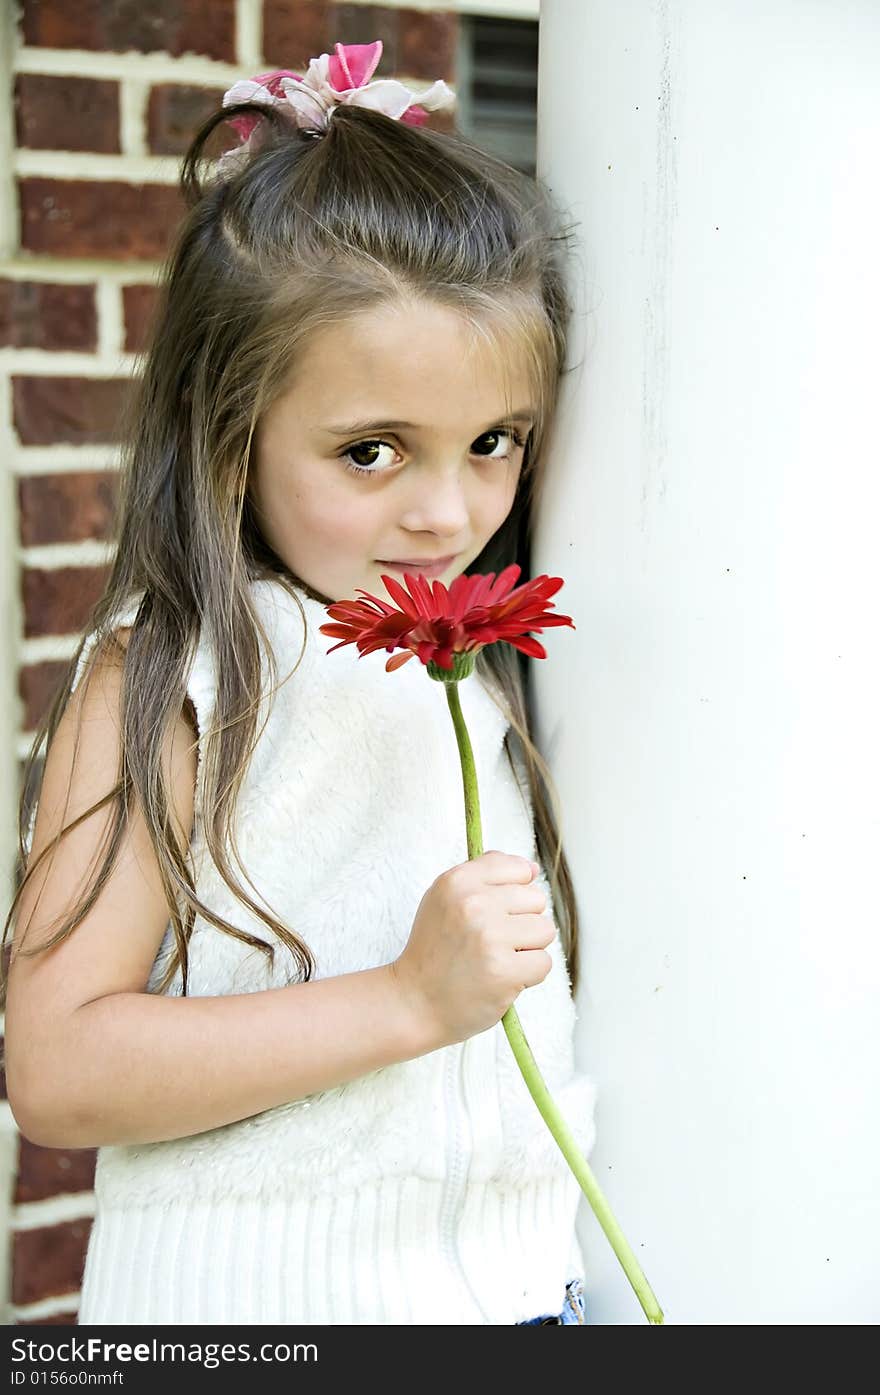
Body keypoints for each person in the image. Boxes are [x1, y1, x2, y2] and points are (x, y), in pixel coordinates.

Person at [0, 39, 596, 1326]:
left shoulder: (473, 654)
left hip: (518, 1299)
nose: (450, 513)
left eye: (494, 442)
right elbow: (55, 1068)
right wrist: (403, 1000)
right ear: (228, 437)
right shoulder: (173, 675)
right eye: (371, 450)